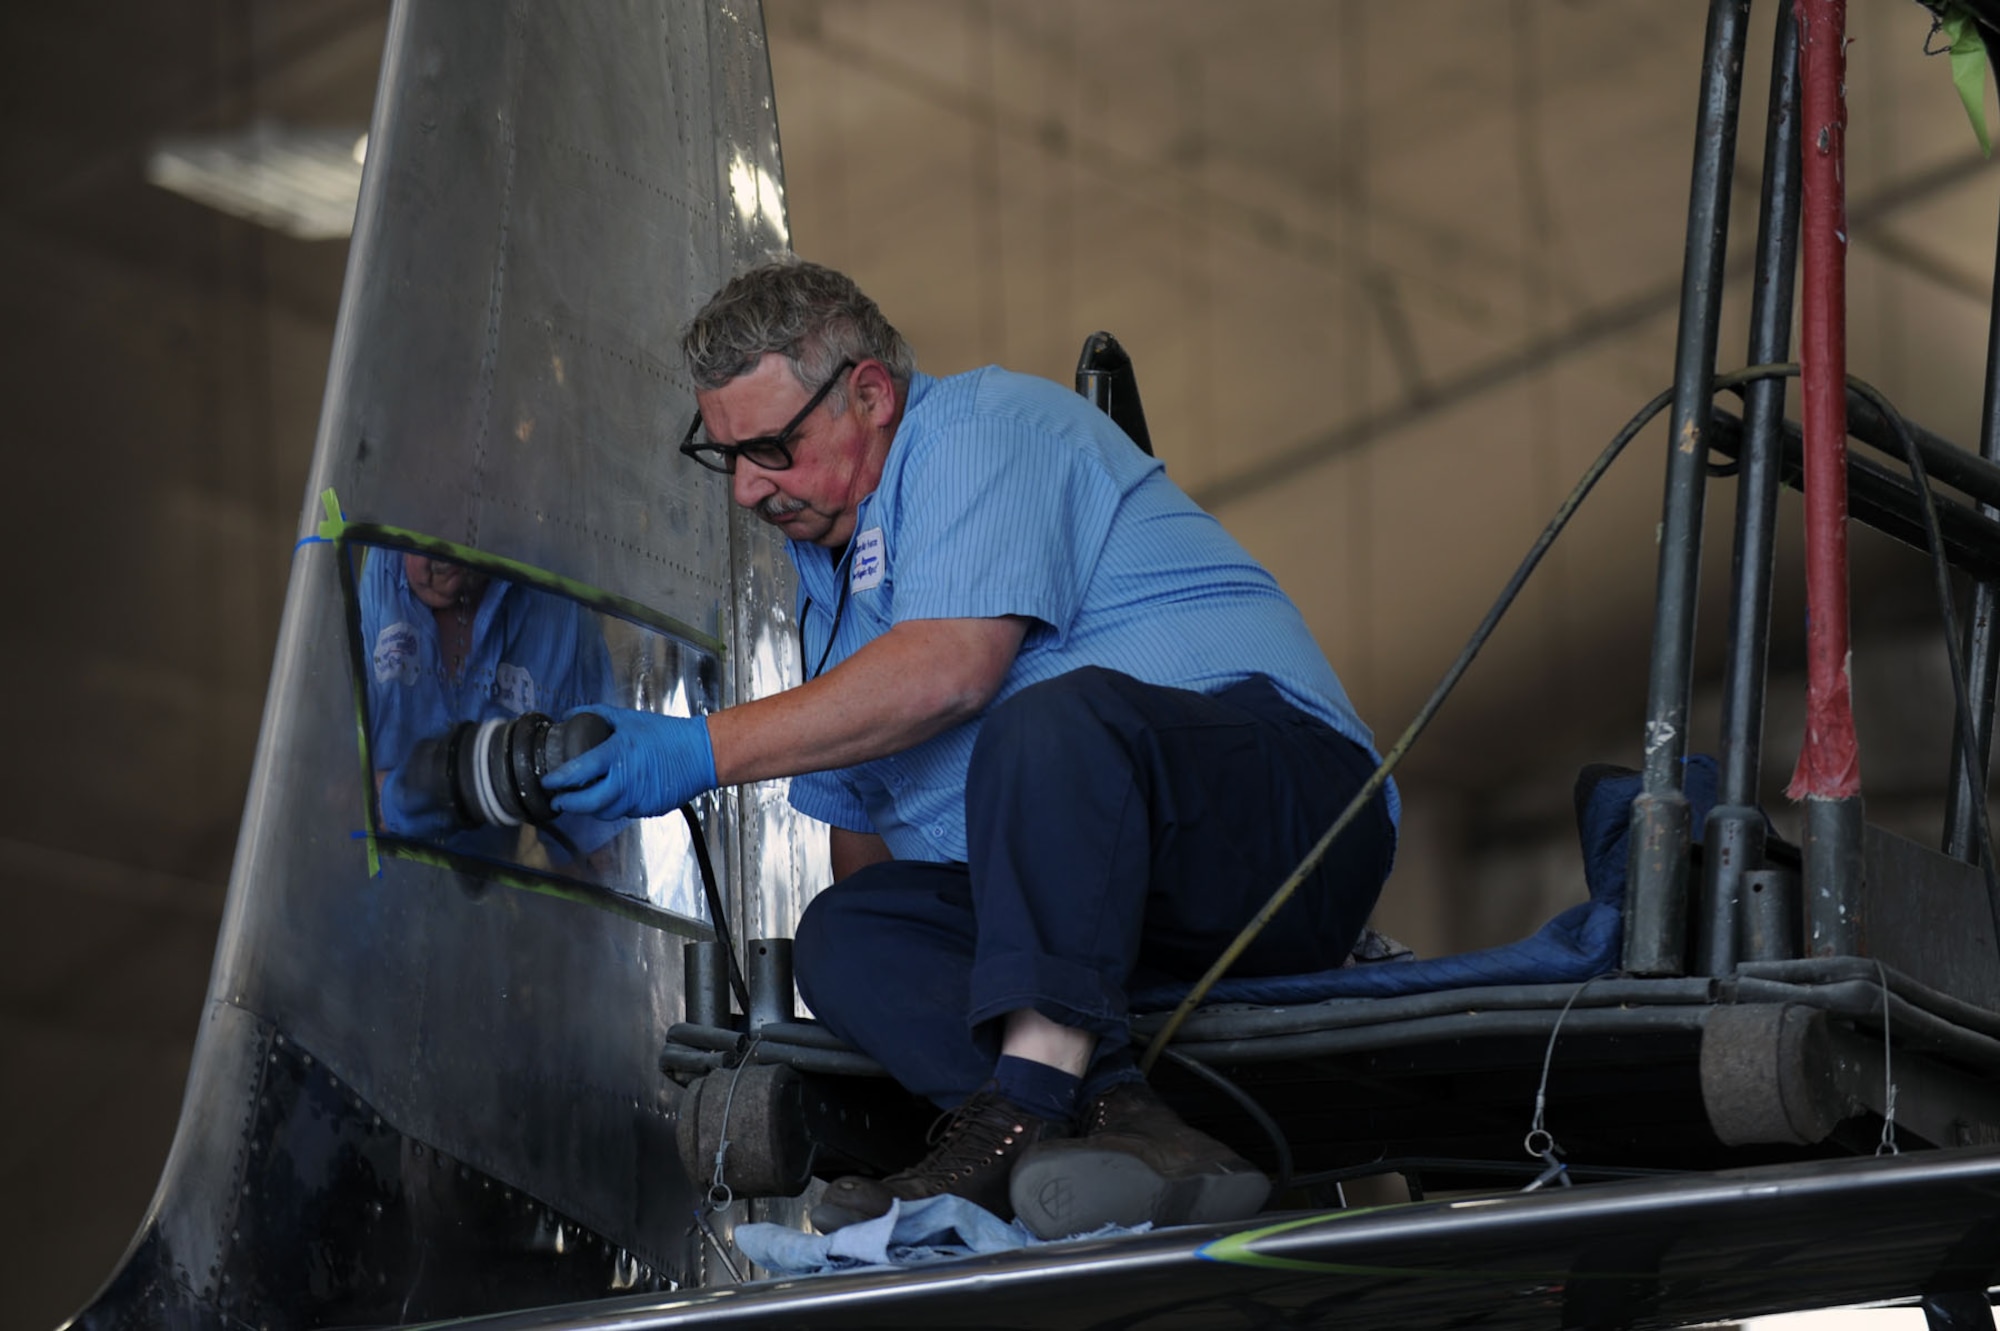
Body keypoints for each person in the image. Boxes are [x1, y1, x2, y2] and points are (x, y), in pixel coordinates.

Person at [544, 260, 1398, 1239]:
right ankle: (1122, 1118)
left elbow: (948, 670)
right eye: (725, 454)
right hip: (1102, 923)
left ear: (868, 394)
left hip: (1285, 830)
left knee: (1047, 723)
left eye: (772, 447)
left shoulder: (982, 430)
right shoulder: (827, 589)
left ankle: (1018, 1115)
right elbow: (869, 843)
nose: (746, 487)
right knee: (847, 929)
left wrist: (697, 748)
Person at [363, 550, 617, 866]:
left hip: (479, 906)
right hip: (345, 893)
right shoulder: (360, 573)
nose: (433, 557)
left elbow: (595, 851)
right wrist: (413, 794)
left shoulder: (557, 612)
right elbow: (311, 785)